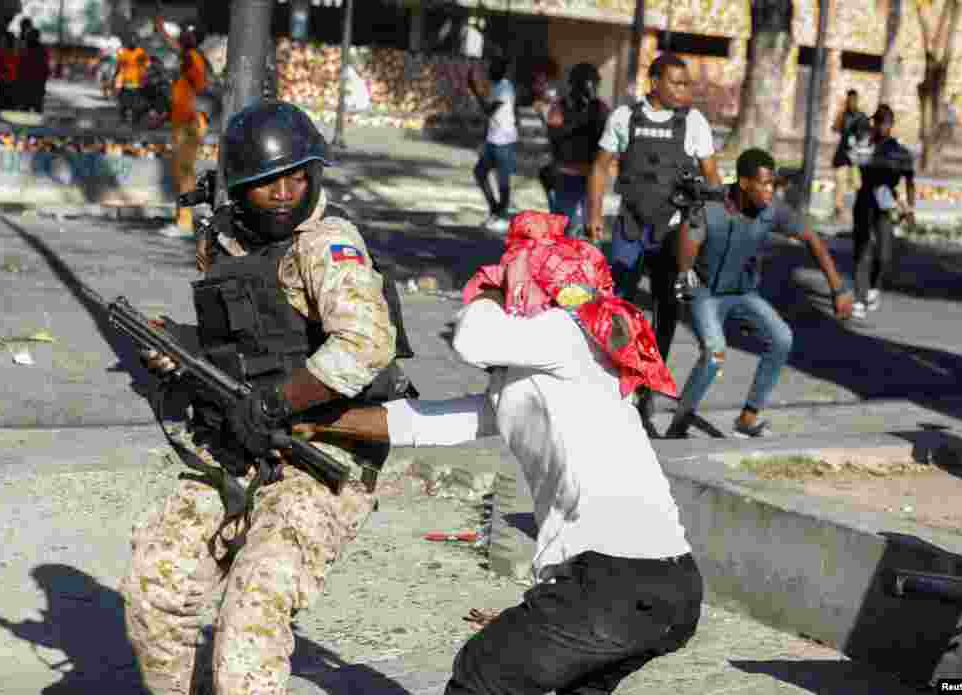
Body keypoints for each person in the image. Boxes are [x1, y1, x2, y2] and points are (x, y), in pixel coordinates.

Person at [289, 211, 702, 695]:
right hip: (663, 588)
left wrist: (491, 286)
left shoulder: (569, 336)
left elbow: (472, 337)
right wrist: (316, 423)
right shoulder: (538, 377)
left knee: (482, 673)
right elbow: (427, 424)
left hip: (617, 580)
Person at [120, 101, 416, 695]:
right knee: (155, 589)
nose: (284, 193)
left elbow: (365, 343)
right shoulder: (227, 240)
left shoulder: (326, 245)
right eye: (266, 183)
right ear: (238, 187)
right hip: (235, 446)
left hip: (320, 454)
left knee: (246, 636)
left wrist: (275, 403)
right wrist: (181, 352)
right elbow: (244, 343)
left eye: (297, 177)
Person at [664, 148, 854, 439]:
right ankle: (680, 422)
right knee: (714, 353)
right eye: (763, 184)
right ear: (743, 183)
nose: (769, 191)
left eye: (772, 184)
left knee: (781, 338)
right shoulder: (709, 207)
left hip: (742, 292)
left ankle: (748, 418)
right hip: (705, 292)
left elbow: (811, 238)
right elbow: (686, 249)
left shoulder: (772, 209)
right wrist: (685, 251)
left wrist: (837, 288)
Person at [585, 52, 721, 433]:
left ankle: (646, 386)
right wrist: (593, 215)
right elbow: (600, 166)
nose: (685, 90)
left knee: (666, 311)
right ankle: (614, 379)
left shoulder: (693, 122)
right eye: (677, 83)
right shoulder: (625, 117)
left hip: (674, 230)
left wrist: (706, 227)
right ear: (655, 84)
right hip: (630, 226)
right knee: (617, 308)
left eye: (687, 83)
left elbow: (712, 178)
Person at [849, 104, 915, 320]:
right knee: (862, 250)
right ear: (874, 123)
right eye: (879, 122)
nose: (883, 127)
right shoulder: (865, 144)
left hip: (885, 201)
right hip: (865, 199)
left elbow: (909, 178)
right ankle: (859, 299)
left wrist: (910, 208)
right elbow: (855, 158)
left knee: (884, 254)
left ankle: (873, 287)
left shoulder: (897, 149)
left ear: (891, 125)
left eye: (887, 123)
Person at [536, 62, 611, 238]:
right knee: (567, 230)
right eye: (586, 88)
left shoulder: (600, 108)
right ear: (575, 86)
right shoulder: (560, 106)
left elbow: (608, 141)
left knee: (584, 231)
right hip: (566, 176)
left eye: (593, 87)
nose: (590, 93)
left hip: (591, 178)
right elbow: (554, 135)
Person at [154, 16, 209, 239]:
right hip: (183, 122)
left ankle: (185, 224)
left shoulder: (193, 59)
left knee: (185, 175)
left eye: (185, 33)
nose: (181, 37)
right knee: (181, 174)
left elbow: (202, 89)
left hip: (190, 124)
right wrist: (161, 29)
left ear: (192, 38)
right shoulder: (188, 57)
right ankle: (182, 220)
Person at [468, 56, 518, 233]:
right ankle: (495, 210)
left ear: (500, 70)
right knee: (480, 172)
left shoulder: (505, 87)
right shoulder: (496, 87)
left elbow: (489, 111)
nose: (489, 71)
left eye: (492, 68)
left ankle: (502, 216)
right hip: (493, 139)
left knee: (503, 181)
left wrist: (474, 90)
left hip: (504, 141)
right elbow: (492, 118)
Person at [830, 89, 868, 223]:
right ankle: (838, 209)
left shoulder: (862, 116)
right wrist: (840, 115)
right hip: (842, 153)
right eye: (849, 100)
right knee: (840, 181)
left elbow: (866, 135)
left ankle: (861, 210)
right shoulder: (843, 114)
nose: (851, 103)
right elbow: (834, 128)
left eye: (853, 100)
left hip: (855, 155)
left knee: (858, 183)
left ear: (857, 101)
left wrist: (858, 140)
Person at [114, 35, 150, 124]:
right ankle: (123, 117)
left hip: (136, 80)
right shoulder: (123, 52)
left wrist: (144, 76)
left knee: (135, 101)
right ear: (127, 43)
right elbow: (119, 65)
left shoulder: (140, 52)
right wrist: (116, 76)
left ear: (136, 42)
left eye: (134, 41)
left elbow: (146, 65)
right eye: (130, 41)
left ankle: (135, 118)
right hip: (123, 79)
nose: (132, 43)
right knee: (122, 100)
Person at [17, 28, 49, 114]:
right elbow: (45, 70)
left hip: (31, 86)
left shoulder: (25, 49)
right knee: (32, 110)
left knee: (28, 111)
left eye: (29, 36)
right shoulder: (41, 50)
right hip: (32, 86)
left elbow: (45, 70)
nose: (27, 38)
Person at [0, 31, 20, 112]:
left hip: (10, 84)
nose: (2, 42)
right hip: (7, 83)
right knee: (6, 108)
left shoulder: (15, 53)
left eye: (3, 40)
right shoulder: (1, 52)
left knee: (7, 108)